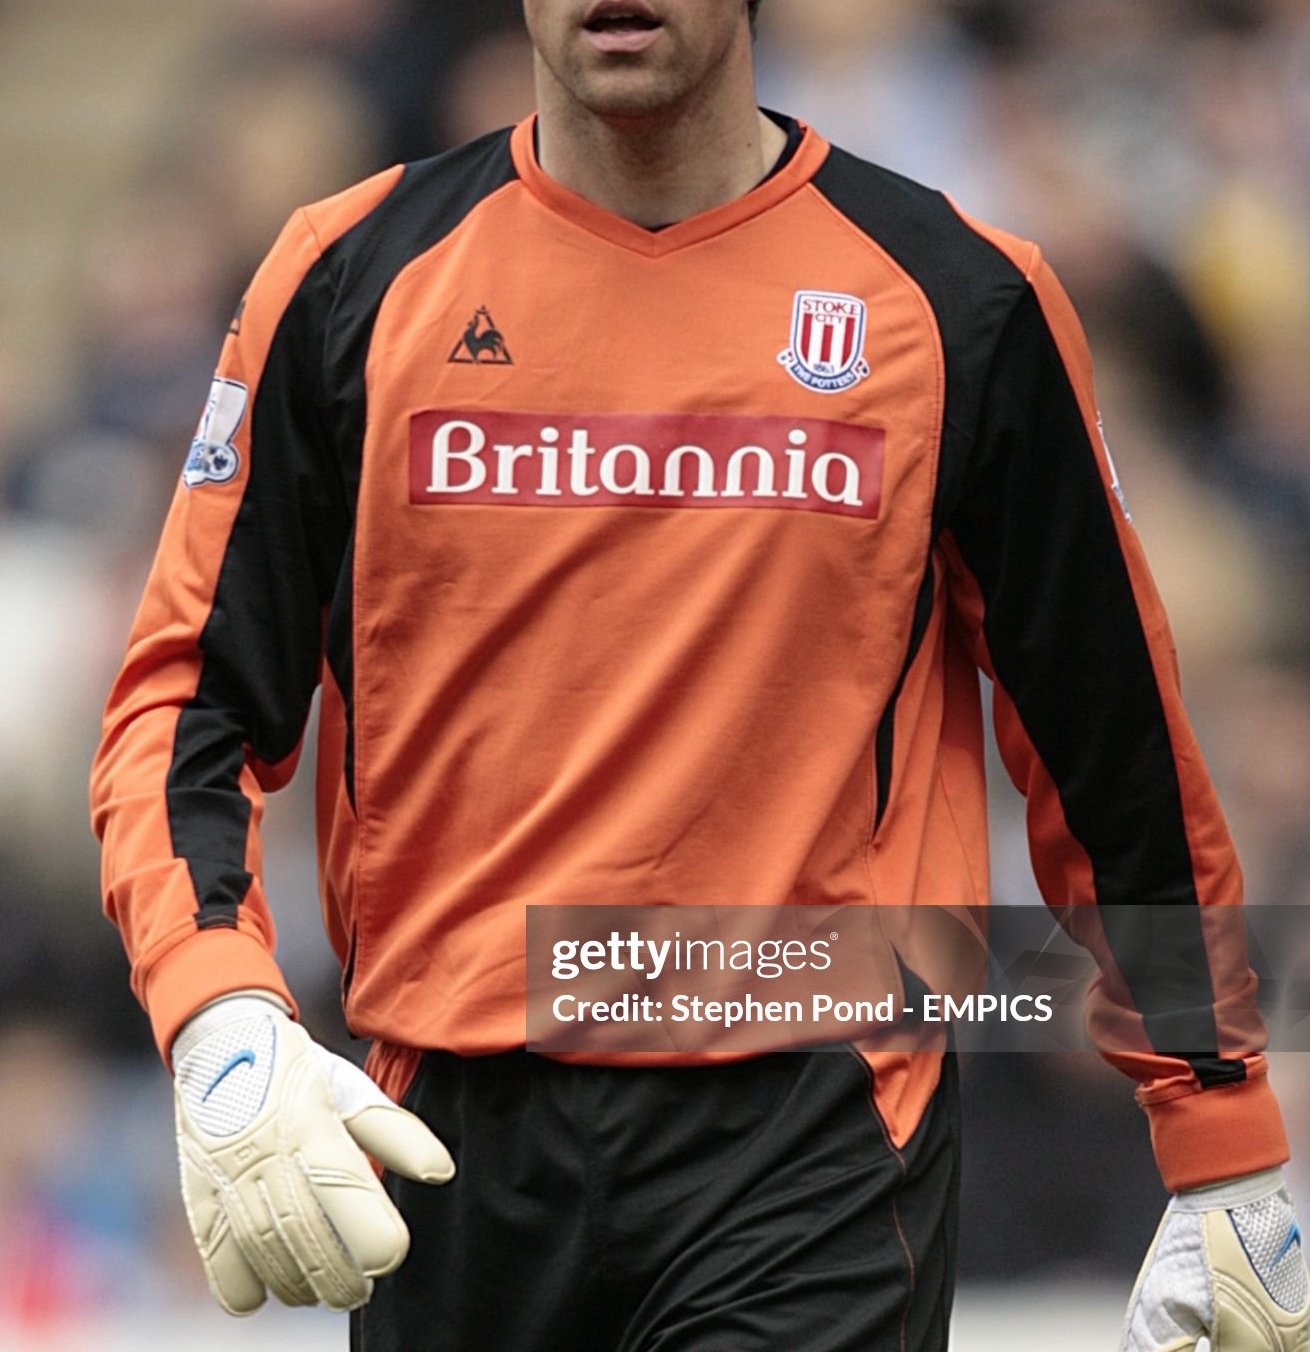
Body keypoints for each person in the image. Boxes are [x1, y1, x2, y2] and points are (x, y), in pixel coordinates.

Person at [90, 1, 1309, 1348]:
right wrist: (216, 1013)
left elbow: (1111, 747)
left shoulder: (954, 299)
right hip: (447, 1136)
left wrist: (1220, 1127)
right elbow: (185, 710)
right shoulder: (349, 279)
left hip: (813, 1133)